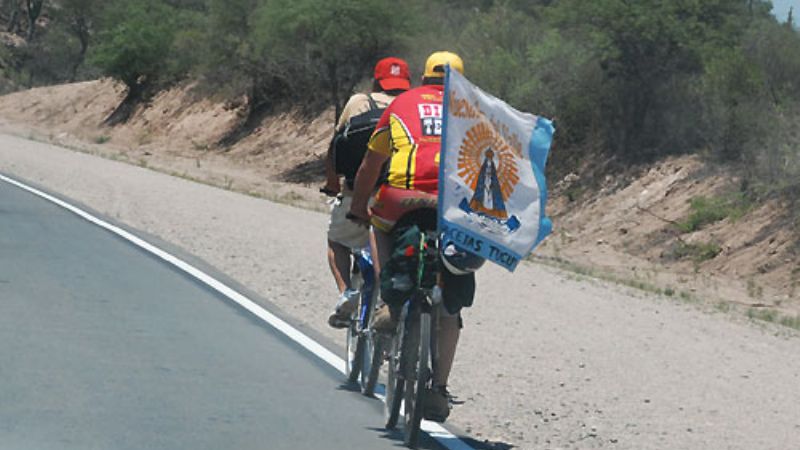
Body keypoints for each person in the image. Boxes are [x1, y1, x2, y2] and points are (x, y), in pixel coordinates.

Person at [348, 51, 482, 422]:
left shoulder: (403, 103)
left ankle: (388, 299)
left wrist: (360, 206)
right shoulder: (475, 112)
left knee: (378, 223)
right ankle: (438, 390)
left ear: (424, 80)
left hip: (401, 197)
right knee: (451, 307)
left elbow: (369, 164)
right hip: (455, 208)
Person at [324, 57, 411, 328]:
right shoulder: (411, 106)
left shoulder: (358, 102)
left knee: (336, 242)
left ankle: (347, 292)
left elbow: (335, 147)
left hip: (356, 195)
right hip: (397, 198)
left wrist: (333, 184)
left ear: (376, 82)